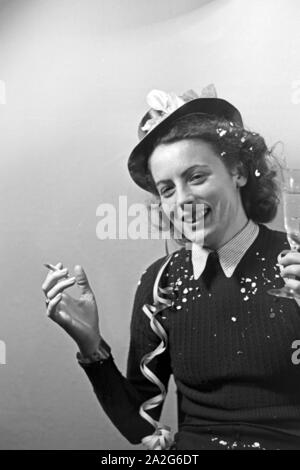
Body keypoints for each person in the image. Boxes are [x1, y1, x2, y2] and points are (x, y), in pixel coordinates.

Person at [42, 85, 300, 450]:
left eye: (196, 177)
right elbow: (140, 427)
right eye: (166, 189)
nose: (183, 201)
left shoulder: (295, 263)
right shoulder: (160, 282)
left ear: (238, 172)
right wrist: (91, 348)